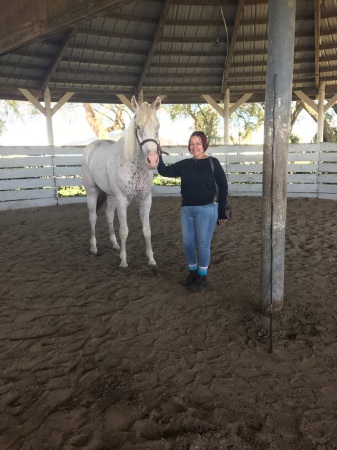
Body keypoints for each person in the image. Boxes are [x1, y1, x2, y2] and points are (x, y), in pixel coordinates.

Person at [157, 131, 229, 292]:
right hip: (187, 210)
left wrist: (222, 211)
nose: (194, 146)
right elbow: (164, 171)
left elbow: (223, 187)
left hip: (207, 209)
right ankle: (193, 274)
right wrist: (159, 155)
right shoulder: (184, 164)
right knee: (188, 244)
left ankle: (203, 278)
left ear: (204, 144)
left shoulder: (213, 163)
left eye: (198, 143)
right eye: (192, 143)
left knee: (203, 244)